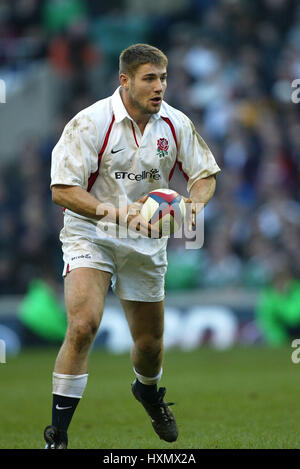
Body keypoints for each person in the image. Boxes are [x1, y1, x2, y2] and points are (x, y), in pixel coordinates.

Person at [43, 43, 220, 449]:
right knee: (83, 325)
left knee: (149, 346)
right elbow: (62, 190)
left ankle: (148, 393)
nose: (159, 87)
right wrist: (118, 214)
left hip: (146, 241)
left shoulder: (175, 123)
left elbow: (205, 174)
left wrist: (193, 204)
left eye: (163, 78)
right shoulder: (89, 123)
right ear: (124, 81)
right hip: (92, 232)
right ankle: (58, 435)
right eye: (149, 79)